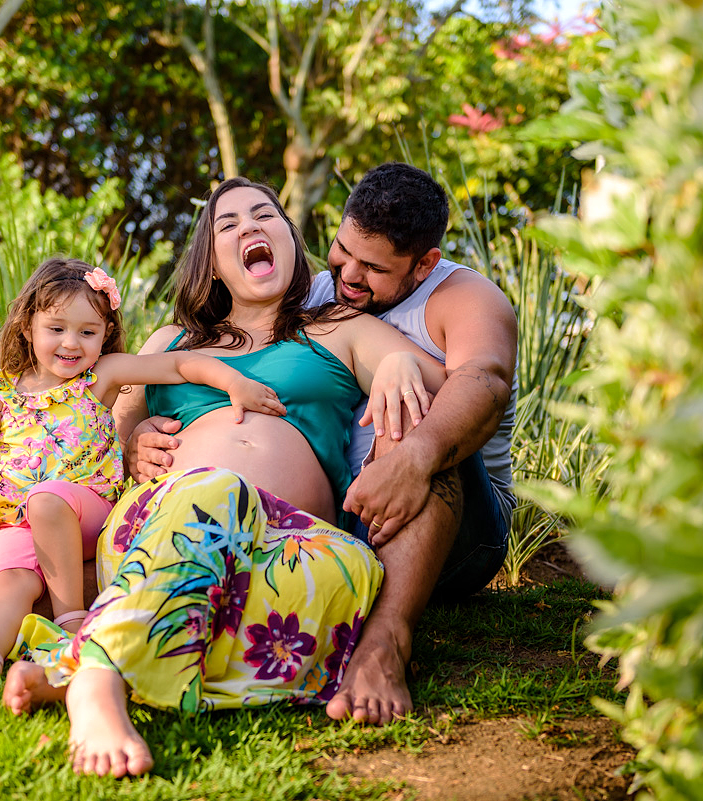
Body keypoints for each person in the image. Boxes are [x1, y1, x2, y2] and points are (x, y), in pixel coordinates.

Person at [0, 178, 446, 777]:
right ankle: (96, 684)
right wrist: (133, 444)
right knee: (212, 490)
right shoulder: (172, 341)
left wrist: (398, 363)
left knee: (335, 583)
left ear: (291, 238)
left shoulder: (338, 327)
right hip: (168, 521)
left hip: (291, 541)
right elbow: (108, 437)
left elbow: (451, 385)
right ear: (212, 263)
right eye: (228, 224)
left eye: (264, 215)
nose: (249, 228)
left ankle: (9, 641)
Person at [126, 162, 519, 726]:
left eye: (373, 268)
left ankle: (385, 644)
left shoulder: (458, 297)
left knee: (413, 417)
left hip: (442, 511)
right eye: (342, 252)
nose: (349, 276)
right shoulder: (307, 295)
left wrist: (405, 383)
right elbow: (106, 423)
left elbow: (481, 383)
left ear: (423, 264)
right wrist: (136, 437)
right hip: (337, 512)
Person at [0, 255, 288, 683]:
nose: (71, 343)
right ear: (27, 328)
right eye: (56, 328)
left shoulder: (100, 376)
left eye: (87, 332)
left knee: (47, 499)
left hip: (87, 514)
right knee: (13, 588)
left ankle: (72, 627)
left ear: (106, 334)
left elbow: (178, 364)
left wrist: (234, 383)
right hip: (17, 524)